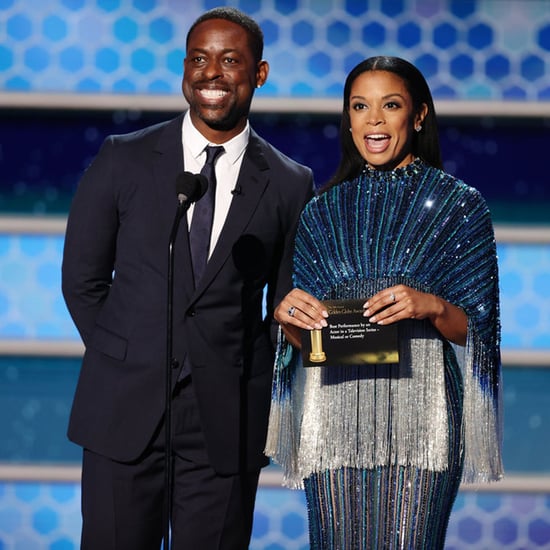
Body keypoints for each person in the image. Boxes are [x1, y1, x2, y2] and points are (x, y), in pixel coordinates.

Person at [62, 7, 313, 550]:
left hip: (225, 425)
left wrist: (248, 375)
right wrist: (127, 356)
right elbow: (82, 280)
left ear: (260, 74)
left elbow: (286, 305)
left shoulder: (291, 184)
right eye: (199, 59)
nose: (211, 74)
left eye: (230, 60)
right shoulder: (122, 158)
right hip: (123, 413)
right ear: (183, 68)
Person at [265, 56, 503, 549]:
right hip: (332, 417)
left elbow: (479, 331)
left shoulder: (459, 206)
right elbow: (312, 342)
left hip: (424, 416)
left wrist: (431, 306)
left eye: (389, 105)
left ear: (418, 116)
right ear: (348, 119)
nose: (373, 119)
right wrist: (287, 318)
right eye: (360, 106)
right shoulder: (321, 212)